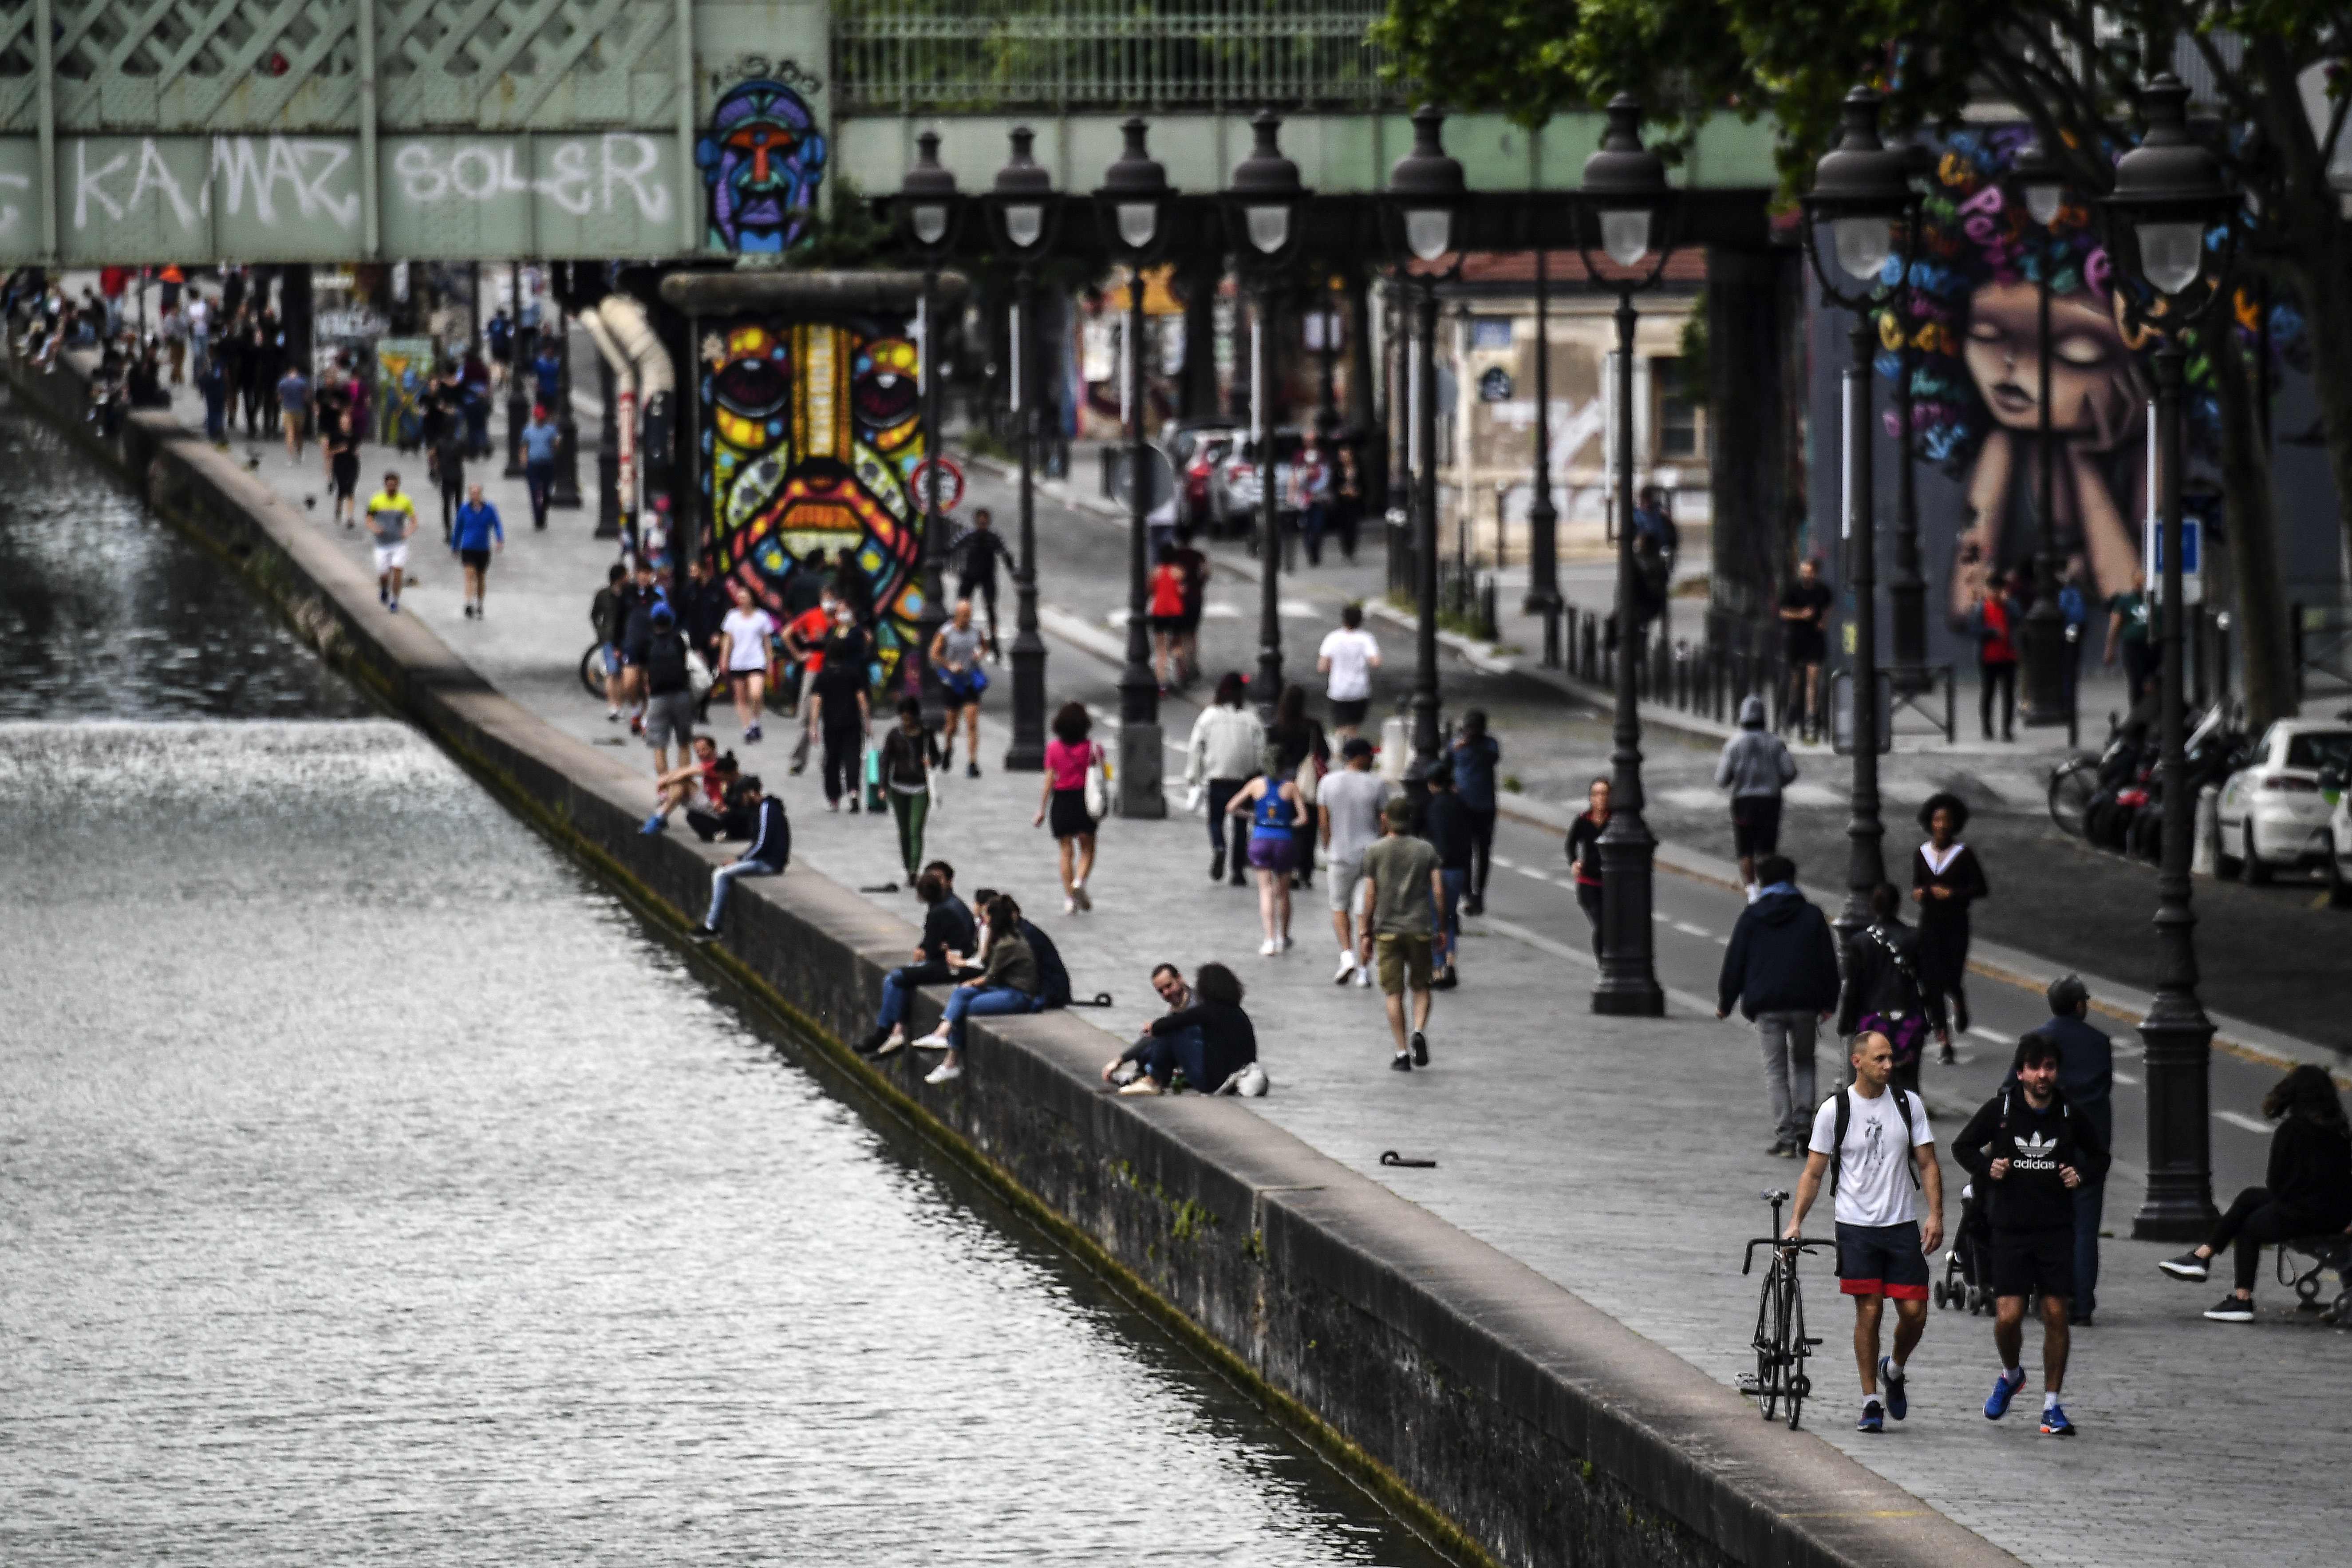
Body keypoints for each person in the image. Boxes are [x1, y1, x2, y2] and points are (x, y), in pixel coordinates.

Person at [1785, 1031, 1945, 1435]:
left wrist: (1935, 1215)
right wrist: (1795, 1222)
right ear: (1858, 1062)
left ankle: (1894, 1367)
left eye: (1891, 1057)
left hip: (1901, 1224)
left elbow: (1926, 1163)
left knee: (1914, 1312)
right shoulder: (1834, 1111)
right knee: (1869, 1310)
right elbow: (1814, 1172)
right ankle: (1870, 1400)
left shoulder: (1908, 1105)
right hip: (1855, 1225)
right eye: (1880, 1058)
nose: (1889, 1065)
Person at [1952, 1034, 2108, 1435]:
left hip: (2056, 1229)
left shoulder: (2070, 1113)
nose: (2043, 1075)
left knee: (2057, 1313)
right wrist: (1988, 1169)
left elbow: (2100, 1155)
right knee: (2009, 1318)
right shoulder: (2002, 1110)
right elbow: (1962, 1145)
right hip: (2010, 1229)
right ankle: (2011, 1375)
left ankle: (2052, 1406)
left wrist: (2082, 1174)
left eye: (2050, 1067)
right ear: (2021, 1071)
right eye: (2035, 1067)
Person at [2158, 1064, 2352, 1323]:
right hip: (2337, 1213)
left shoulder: (2292, 1130)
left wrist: (2285, 1200)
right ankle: (2201, 1256)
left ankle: (2241, 1299)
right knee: (2250, 1197)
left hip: (2305, 1214)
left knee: (2249, 1228)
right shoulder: (2340, 1130)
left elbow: (2277, 1183)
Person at [1717, 854, 1843, 1157]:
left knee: (1775, 1070)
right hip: (1805, 1003)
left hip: (1766, 1003)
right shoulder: (1812, 915)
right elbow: (1828, 961)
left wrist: (1726, 1001)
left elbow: (1736, 960)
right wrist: (1828, 1001)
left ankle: (1785, 1135)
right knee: (1804, 1061)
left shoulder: (1753, 915)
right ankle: (1804, 1123)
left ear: (1762, 881)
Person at [2011, 976, 2113, 1323]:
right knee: (2085, 1228)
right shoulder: (2100, 1043)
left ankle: (2049, 1297)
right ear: (2080, 1005)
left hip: (2044, 1148)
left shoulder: (2037, 1041)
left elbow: (2012, 1089)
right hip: (2089, 1147)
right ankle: (2082, 1304)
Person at [911, 893, 1038, 1085]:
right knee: (961, 993)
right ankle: (941, 1034)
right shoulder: (1003, 937)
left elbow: (990, 975)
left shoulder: (1008, 944)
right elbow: (985, 961)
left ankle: (951, 1062)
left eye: (986, 917)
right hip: (1002, 988)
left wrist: (971, 982)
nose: (983, 920)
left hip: (1017, 994)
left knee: (966, 1006)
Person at [1835, 882, 1946, 1096]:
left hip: (1873, 1021)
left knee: (1874, 1081)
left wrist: (1847, 1023)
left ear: (1872, 907)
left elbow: (1853, 988)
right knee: (1908, 1081)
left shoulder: (1860, 942)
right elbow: (1932, 985)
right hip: (1909, 1019)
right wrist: (1939, 1022)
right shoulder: (1915, 938)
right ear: (1898, 905)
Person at [1359, 794, 1444, 1072]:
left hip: (1386, 931)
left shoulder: (1375, 851)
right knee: (1421, 987)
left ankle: (1401, 1052)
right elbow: (1438, 892)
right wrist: (1441, 926)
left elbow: (1370, 894)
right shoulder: (1426, 851)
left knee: (1393, 993)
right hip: (1419, 928)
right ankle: (1418, 1030)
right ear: (1411, 819)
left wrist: (1365, 932)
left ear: (1385, 819)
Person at [858, 863, 977, 1057]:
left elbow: (933, 948)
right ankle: (895, 1031)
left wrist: (934, 948)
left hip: (955, 967)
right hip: (957, 961)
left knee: (897, 977)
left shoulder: (939, 912)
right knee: (900, 979)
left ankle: (885, 1032)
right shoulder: (950, 904)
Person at [1107, 961, 1260, 1096]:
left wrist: (1154, 1026)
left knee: (1173, 1033)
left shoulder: (1206, 1011)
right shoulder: (1239, 1014)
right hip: (1232, 1075)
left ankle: (1154, 1080)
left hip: (1213, 1082)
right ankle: (1147, 1075)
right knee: (1169, 1034)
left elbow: (1171, 1024)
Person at [1911, 793, 1988, 1043]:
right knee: (1931, 980)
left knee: (1950, 976)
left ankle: (1958, 1000)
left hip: (1956, 924)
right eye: (1937, 821)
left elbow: (1980, 888)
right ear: (1930, 823)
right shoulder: (1922, 853)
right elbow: (1917, 885)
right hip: (1930, 924)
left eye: (1946, 821)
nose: (1942, 826)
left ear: (1954, 824)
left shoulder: (1963, 854)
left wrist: (1952, 893)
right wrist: (1920, 893)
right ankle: (1942, 1036)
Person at [1319, 737, 1389, 987]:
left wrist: (1328, 846)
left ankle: (1347, 955)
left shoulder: (1327, 782)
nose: (1373, 759)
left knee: (1339, 907)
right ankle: (1363, 968)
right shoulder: (1377, 785)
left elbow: (1324, 820)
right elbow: (1384, 820)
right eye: (1370, 755)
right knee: (1365, 912)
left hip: (1340, 853)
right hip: (1370, 854)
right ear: (1359, 757)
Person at [1185, 672, 1265, 886]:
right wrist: (1257, 771)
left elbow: (1196, 747)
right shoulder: (1251, 718)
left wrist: (1194, 775)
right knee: (1240, 824)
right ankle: (1238, 871)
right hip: (1243, 780)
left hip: (1217, 776)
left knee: (1215, 820)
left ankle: (1219, 846)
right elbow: (1261, 750)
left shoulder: (1209, 716)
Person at [1716, 693, 1798, 896]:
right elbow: (1790, 771)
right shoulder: (1775, 743)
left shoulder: (1733, 744)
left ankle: (1751, 890)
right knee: (1767, 846)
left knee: (1745, 847)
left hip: (1744, 801)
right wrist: (1777, 783)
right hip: (1770, 800)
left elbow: (1721, 779)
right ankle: (1767, 886)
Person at [688, 775, 788, 940]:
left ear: (751, 793)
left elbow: (762, 844)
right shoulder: (762, 808)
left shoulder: (766, 809)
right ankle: (711, 925)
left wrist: (740, 859)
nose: (742, 801)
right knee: (723, 872)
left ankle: (712, 927)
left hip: (770, 863)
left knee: (720, 874)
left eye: (743, 796)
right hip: (766, 859)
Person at [1226, 754, 1307, 956]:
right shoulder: (1291, 787)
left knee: (1265, 890)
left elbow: (1232, 807)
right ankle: (1284, 936)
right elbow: (1303, 818)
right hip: (1284, 842)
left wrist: (1253, 817)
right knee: (1284, 892)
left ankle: (1269, 939)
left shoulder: (1255, 785)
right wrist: (1288, 825)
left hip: (1260, 839)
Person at [1037, 703, 1103, 914]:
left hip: (1062, 801)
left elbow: (1049, 780)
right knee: (1088, 849)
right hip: (1084, 801)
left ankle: (1069, 898)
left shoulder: (1053, 749)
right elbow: (1102, 777)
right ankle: (1080, 882)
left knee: (1066, 851)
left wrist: (1041, 809)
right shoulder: (1094, 749)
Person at [1265, 684, 1328, 891]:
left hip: (1282, 784)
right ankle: (1305, 871)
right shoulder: (1312, 726)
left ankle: (1286, 869)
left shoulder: (1275, 727)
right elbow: (1324, 753)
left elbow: (1268, 756)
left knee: (1284, 827)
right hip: (1306, 784)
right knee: (1307, 828)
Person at [808, 607, 872, 812]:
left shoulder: (823, 676)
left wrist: (813, 726)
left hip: (831, 722)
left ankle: (834, 797)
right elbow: (862, 699)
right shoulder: (853, 674)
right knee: (853, 757)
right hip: (852, 721)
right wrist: (868, 722)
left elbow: (816, 701)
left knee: (832, 759)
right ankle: (854, 791)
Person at [878, 695, 944, 884]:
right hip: (898, 788)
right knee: (903, 831)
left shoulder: (926, 734)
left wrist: (930, 761)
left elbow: (938, 757)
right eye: (903, 717)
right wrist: (882, 786)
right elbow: (885, 761)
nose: (906, 721)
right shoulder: (894, 735)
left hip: (921, 788)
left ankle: (914, 870)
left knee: (915, 829)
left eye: (909, 717)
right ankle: (908, 867)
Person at [635, 604, 698, 791]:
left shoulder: (647, 642)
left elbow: (644, 672)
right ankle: (683, 784)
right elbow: (685, 662)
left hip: (657, 697)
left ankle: (665, 787)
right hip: (681, 695)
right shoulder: (679, 640)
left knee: (659, 745)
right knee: (684, 742)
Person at [1421, 762, 1472, 989]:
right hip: (1458, 870)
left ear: (1432, 783)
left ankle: (1438, 968)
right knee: (1450, 918)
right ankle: (1451, 963)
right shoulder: (1461, 804)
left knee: (1435, 920)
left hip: (1436, 870)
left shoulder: (1429, 806)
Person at [1447, 710, 1500, 915]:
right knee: (1464, 851)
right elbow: (1446, 764)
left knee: (1483, 852)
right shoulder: (1456, 745)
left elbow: (1493, 757)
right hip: (1463, 806)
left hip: (1485, 806)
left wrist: (1471, 744)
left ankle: (1479, 894)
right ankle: (1468, 893)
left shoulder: (1489, 745)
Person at [930, 598, 989, 777]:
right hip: (952, 682)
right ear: (957, 615)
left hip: (969, 680)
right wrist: (949, 665)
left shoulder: (976, 632)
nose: (967, 618)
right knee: (952, 725)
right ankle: (948, 749)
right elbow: (934, 653)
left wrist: (979, 655)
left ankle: (972, 762)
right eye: (964, 615)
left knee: (972, 722)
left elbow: (985, 646)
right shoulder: (946, 632)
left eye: (969, 614)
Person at [1778, 558, 1833, 741]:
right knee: (1796, 679)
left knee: (1813, 676)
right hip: (1797, 638)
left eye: (1809, 572)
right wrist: (1801, 615)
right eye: (1803, 571)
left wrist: (1823, 622)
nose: (1806, 575)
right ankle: (1794, 708)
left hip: (1815, 639)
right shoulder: (1793, 590)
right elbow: (1783, 612)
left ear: (1815, 573)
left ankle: (1812, 712)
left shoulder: (1822, 591)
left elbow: (1828, 607)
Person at [782, 587, 838, 763]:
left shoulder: (840, 619)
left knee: (834, 715)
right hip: (814, 667)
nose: (829, 602)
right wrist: (798, 655)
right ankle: (799, 757)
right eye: (826, 598)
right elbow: (786, 633)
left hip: (835, 669)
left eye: (832, 598)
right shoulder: (812, 615)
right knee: (806, 715)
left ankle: (830, 759)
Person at [717, 579, 777, 744]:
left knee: (756, 694)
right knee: (741, 698)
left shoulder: (762, 617)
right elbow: (727, 639)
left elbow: (767, 642)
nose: (741, 599)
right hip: (738, 661)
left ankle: (756, 721)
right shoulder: (732, 617)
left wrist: (770, 661)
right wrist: (724, 658)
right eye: (739, 597)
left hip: (756, 660)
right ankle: (748, 728)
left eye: (745, 596)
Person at [952, 507, 1016, 660]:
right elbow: (952, 548)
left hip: (986, 576)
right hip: (971, 575)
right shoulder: (970, 536)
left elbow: (1005, 555)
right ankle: (959, 636)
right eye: (980, 521)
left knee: (990, 608)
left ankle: (993, 641)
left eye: (984, 522)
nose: (982, 525)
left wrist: (1013, 572)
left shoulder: (993, 538)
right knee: (963, 606)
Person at [1316, 603, 1382, 739]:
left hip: (1338, 689)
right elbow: (1376, 662)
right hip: (1359, 689)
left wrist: (1334, 665)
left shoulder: (1333, 638)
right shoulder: (1366, 639)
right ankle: (1351, 754)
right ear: (1360, 621)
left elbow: (1322, 666)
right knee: (1353, 727)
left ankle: (1340, 752)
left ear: (1344, 619)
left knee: (1340, 727)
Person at [1564, 776, 1610, 957]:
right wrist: (1574, 862)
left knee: (1613, 928)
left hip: (1610, 884)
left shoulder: (1616, 821)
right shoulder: (1584, 820)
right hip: (1588, 883)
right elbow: (1570, 844)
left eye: (1605, 794)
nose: (1601, 798)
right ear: (1591, 798)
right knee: (1601, 925)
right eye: (1597, 794)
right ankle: (1603, 966)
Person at [645, 733, 723, 837]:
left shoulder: (716, 764)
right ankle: (661, 815)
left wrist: (663, 782)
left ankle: (660, 816)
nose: (701, 754)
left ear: (713, 748)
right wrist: (665, 780)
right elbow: (684, 771)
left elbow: (688, 772)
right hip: (708, 801)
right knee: (680, 782)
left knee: (683, 782)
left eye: (704, 750)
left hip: (717, 807)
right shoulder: (709, 763)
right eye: (698, 752)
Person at [1973, 571, 2021, 742]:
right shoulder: (1982, 608)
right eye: (1993, 589)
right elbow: (1975, 630)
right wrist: (1992, 632)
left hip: (2008, 657)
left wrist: (2009, 603)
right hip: (1988, 658)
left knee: (2009, 695)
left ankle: (2007, 730)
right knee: (1988, 694)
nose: (1996, 593)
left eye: (1999, 589)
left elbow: (2019, 619)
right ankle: (1987, 728)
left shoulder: (2010, 606)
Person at [363, 472, 418, 613]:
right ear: (385, 484)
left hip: (399, 543)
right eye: (390, 484)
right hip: (382, 544)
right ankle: (384, 589)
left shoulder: (405, 501)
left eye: (395, 484)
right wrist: (375, 528)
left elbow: (414, 520)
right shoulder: (376, 500)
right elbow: (368, 519)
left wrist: (408, 531)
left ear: (398, 485)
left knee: (398, 569)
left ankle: (394, 601)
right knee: (384, 574)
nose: (392, 487)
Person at [447, 482, 503, 620]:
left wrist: (499, 539)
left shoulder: (489, 509)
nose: (475, 495)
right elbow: (458, 528)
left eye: (477, 493)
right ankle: (469, 602)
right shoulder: (464, 510)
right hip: (468, 548)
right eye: (472, 493)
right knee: (469, 574)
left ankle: (480, 603)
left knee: (481, 577)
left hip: (483, 548)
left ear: (481, 494)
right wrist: (455, 546)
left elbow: (497, 524)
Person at [2103, 567, 2153, 709]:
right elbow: (2115, 625)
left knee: (2152, 682)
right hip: (2133, 646)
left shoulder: (2156, 600)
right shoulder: (2126, 601)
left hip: (2153, 646)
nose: (2140, 585)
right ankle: (2137, 713)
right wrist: (2110, 649)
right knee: (2137, 681)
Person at [590, 563, 630, 722]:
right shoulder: (603, 595)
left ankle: (619, 705)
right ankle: (614, 706)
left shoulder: (629, 594)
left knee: (622, 673)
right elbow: (595, 615)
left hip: (626, 638)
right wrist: (601, 633)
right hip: (609, 639)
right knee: (612, 672)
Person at [1147, 543, 1188, 691]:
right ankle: (1181, 675)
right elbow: (1183, 591)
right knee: (1177, 646)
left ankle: (1162, 682)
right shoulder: (1179, 572)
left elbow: (1150, 590)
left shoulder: (1156, 572)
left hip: (1159, 611)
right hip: (1176, 612)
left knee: (1161, 649)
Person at [520, 405, 559, 530]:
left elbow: (556, 445)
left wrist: (557, 445)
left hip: (547, 464)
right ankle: (538, 518)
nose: (540, 420)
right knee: (534, 491)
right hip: (533, 465)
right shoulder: (528, 431)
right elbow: (524, 447)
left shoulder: (551, 430)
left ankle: (544, 508)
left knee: (547, 491)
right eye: (538, 418)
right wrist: (524, 461)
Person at [276, 360, 310, 464]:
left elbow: (279, 398)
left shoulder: (283, 382)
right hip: (300, 410)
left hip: (287, 410)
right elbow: (306, 397)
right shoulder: (302, 382)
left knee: (289, 434)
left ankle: (290, 458)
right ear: (296, 372)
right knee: (299, 434)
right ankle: (299, 453)